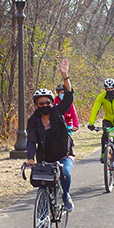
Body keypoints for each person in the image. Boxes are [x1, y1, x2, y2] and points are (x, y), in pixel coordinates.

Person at [26, 59, 76, 210]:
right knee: (45, 183)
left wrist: (65, 75)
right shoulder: (33, 121)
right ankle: (46, 205)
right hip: (45, 158)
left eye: (47, 102)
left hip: (64, 153)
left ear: (51, 102)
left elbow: (69, 98)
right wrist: (30, 159)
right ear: (36, 105)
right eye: (41, 104)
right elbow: (31, 141)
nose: (45, 106)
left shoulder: (57, 112)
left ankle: (66, 195)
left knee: (65, 172)